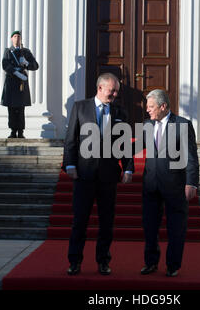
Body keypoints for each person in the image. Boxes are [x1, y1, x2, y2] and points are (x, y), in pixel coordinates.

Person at [63, 73, 134, 276]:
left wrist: (128, 167)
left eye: (116, 91)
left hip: (108, 175)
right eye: (112, 90)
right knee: (80, 221)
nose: (114, 94)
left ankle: (103, 261)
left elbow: (124, 143)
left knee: (106, 222)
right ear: (100, 88)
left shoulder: (120, 111)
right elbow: (70, 139)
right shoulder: (80, 107)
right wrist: (69, 165)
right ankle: (74, 261)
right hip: (84, 174)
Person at [138, 89, 199, 277]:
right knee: (149, 227)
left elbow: (191, 157)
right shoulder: (147, 124)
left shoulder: (183, 125)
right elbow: (136, 147)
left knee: (176, 228)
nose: (147, 110)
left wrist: (192, 183)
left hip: (175, 185)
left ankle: (173, 265)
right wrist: (129, 167)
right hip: (151, 185)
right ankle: (151, 263)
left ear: (163, 106)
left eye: (151, 107)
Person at [1, 31, 39, 139]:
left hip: (21, 82)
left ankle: (21, 131)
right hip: (12, 81)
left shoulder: (25, 51)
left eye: (18, 36)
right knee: (12, 107)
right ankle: (13, 131)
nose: (17, 38)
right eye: (15, 36)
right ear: (11, 38)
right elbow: (5, 65)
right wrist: (15, 72)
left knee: (21, 107)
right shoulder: (8, 51)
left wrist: (26, 63)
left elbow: (35, 65)